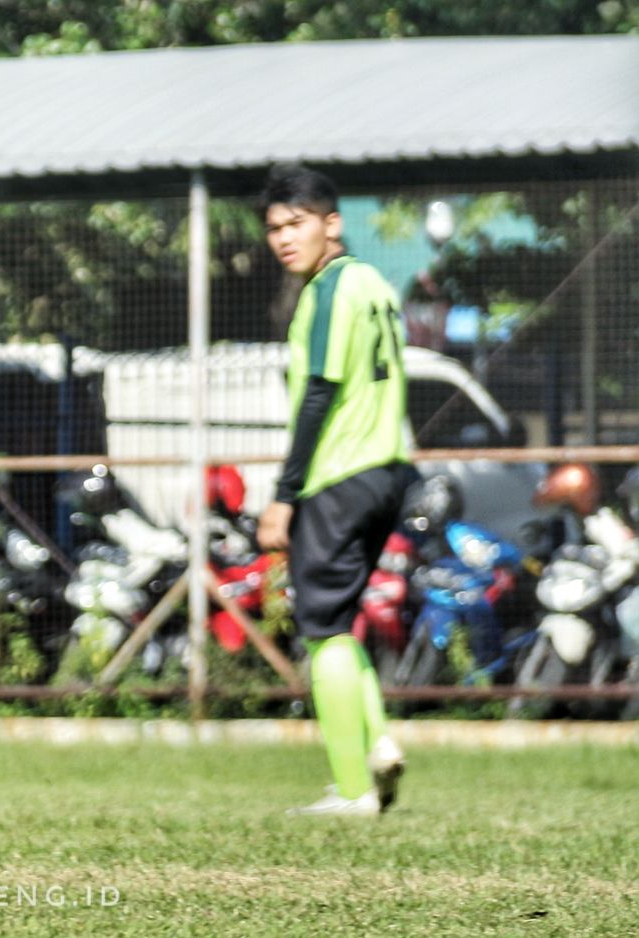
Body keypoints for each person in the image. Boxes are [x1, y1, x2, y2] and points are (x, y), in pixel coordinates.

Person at [254, 164, 414, 817]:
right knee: (340, 625)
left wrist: (284, 494)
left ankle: (352, 792)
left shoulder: (326, 291)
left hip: (339, 473)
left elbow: (319, 392)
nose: (284, 239)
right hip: (389, 467)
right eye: (274, 229)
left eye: (297, 224)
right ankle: (375, 745)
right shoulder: (377, 283)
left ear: (331, 222)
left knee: (321, 630)